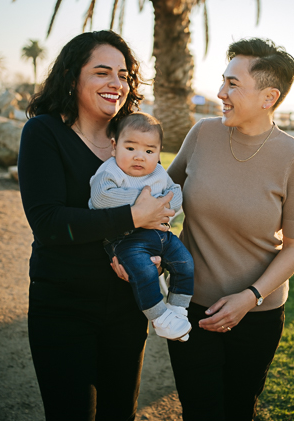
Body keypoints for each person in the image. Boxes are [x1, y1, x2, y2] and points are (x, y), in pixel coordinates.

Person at [112, 38, 294, 420]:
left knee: (238, 411)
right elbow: (159, 198)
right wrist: (137, 247)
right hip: (190, 306)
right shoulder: (203, 134)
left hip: (257, 315)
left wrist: (250, 297)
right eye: (223, 81)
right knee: (200, 411)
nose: (220, 93)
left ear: (268, 97)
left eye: (233, 85)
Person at [18, 30, 176, 421]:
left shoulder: (132, 140)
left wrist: (152, 250)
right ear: (73, 77)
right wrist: (132, 218)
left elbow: (160, 207)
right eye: (102, 72)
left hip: (126, 307)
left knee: (119, 415)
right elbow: (49, 224)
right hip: (63, 307)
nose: (116, 84)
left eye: (123, 75)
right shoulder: (43, 133)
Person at [88, 111, 195, 340]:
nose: (140, 157)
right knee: (145, 271)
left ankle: (177, 311)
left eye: (149, 151)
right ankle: (159, 317)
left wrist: (166, 207)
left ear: (158, 153)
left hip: (160, 235)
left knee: (185, 262)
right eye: (131, 148)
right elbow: (100, 198)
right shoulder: (110, 172)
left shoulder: (158, 172)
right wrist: (144, 201)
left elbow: (175, 192)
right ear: (114, 146)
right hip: (126, 239)